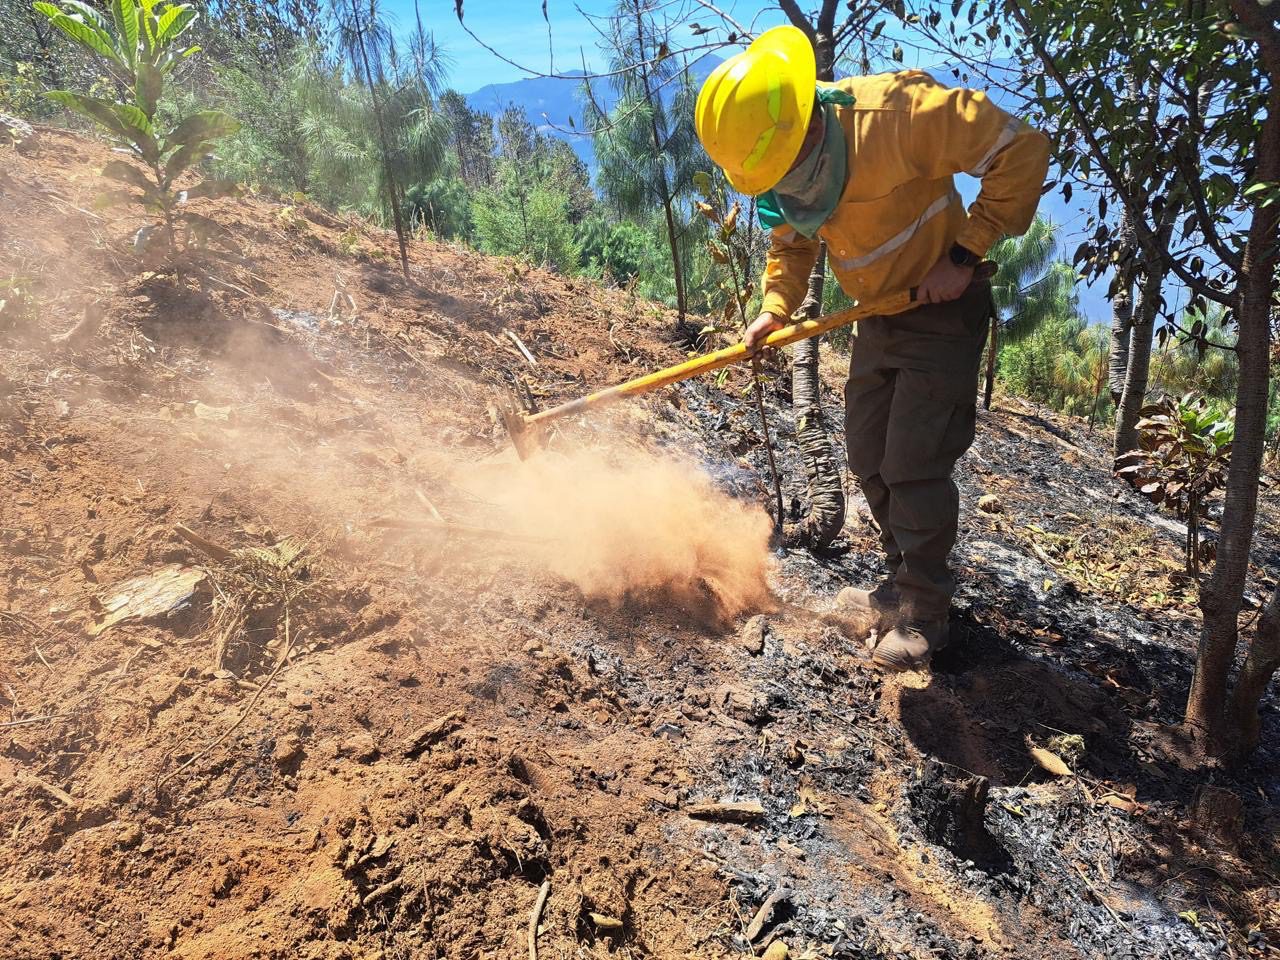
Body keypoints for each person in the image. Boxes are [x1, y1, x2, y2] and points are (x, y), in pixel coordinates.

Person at [695, 26, 1050, 670]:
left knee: (913, 461)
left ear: (804, 120)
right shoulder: (778, 164)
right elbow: (793, 243)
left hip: (941, 309)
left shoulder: (897, 115)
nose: (779, 184)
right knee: (868, 452)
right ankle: (902, 577)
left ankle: (924, 610)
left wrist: (966, 254)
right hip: (877, 317)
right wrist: (775, 309)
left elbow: (1022, 149)